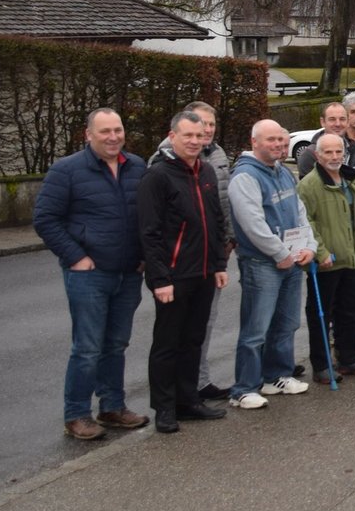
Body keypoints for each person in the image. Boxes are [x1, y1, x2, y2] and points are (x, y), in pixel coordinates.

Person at [34, 107, 152, 440]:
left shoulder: (137, 166)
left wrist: (143, 256)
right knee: (87, 348)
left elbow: (146, 216)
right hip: (89, 275)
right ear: (88, 135)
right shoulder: (67, 170)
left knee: (116, 344)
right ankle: (77, 414)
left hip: (128, 273)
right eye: (105, 131)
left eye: (118, 130)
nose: (113, 137)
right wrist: (76, 257)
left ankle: (112, 407)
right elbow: (45, 219)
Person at [136, 111, 231, 433]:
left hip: (203, 272)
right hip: (174, 276)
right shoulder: (158, 176)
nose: (194, 141)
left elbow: (216, 221)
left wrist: (219, 265)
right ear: (172, 136)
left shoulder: (205, 171)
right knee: (167, 343)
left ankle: (188, 401)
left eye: (199, 135)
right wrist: (159, 279)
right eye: (187, 135)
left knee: (193, 339)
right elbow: (149, 232)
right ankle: (164, 408)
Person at [229, 119, 315, 410]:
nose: (278, 144)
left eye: (281, 139)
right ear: (254, 142)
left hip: (291, 259)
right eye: (271, 140)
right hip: (262, 263)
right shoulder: (245, 176)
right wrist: (280, 254)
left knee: (286, 323)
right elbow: (252, 224)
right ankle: (244, 388)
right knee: (256, 329)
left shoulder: (283, 172)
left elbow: (300, 212)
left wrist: (308, 246)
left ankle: (276, 375)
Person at [298, 133, 355, 382]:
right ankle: (321, 365)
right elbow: (306, 222)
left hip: (351, 258)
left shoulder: (349, 180)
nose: (334, 157)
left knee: (350, 311)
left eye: (338, 152)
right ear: (317, 155)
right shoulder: (309, 185)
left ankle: (348, 358)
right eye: (328, 152)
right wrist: (320, 252)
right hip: (327, 262)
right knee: (321, 315)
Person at [296, 101, 355, 178]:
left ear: (348, 122)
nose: (338, 124)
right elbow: (307, 184)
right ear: (323, 122)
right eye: (332, 119)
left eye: (342, 119)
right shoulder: (309, 155)